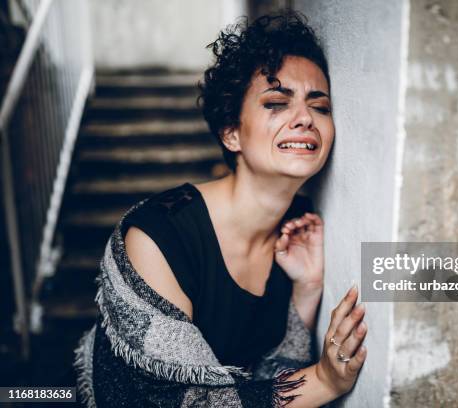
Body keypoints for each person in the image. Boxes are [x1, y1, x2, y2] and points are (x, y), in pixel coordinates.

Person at [74, 11, 367, 407]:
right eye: (278, 103)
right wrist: (324, 382)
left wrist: (306, 288)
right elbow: (178, 401)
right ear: (231, 133)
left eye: (321, 107)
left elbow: (269, 374)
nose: (304, 119)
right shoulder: (157, 235)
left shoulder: (300, 227)